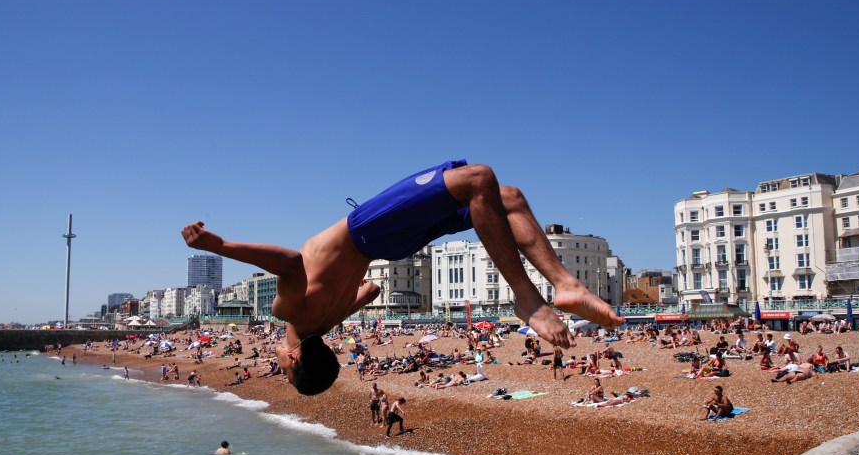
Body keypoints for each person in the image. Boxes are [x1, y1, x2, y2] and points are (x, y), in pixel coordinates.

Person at [182, 161, 623, 395]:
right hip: (368, 229)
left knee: (505, 198)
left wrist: (343, 285)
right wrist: (219, 247)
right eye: (285, 373)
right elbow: (294, 263)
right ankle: (529, 297)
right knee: (478, 178)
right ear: (295, 361)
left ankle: (565, 284)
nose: (278, 368)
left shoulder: (325, 323)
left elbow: (370, 288)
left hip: (386, 245)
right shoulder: (290, 313)